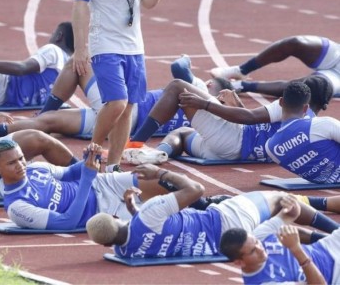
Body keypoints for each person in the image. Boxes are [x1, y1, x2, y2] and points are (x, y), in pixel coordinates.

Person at [0, 56, 232, 165]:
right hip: (124, 122)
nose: (205, 81)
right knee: (49, 123)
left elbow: (179, 68)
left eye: (211, 82)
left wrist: (188, 62)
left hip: (123, 112)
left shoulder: (198, 90)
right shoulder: (209, 118)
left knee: (77, 63)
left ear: (216, 88)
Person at [71, 0, 167, 173]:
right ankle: (92, 152)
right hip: (106, 44)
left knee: (129, 109)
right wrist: (81, 48)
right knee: (117, 102)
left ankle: (113, 167)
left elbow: (144, 2)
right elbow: (79, 5)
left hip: (134, 46)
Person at [86, 165, 340, 260]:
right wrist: (161, 173)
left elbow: (143, 230)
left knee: (279, 227)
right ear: (117, 217)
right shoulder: (148, 214)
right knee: (282, 200)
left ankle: (326, 240)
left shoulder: (125, 250)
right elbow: (196, 189)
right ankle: (335, 232)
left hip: (227, 245)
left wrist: (134, 207)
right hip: (228, 219)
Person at [0, 141, 231, 230]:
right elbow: (69, 222)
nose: (21, 165)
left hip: (102, 184)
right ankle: (212, 214)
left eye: (21, 158)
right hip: (101, 211)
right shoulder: (17, 207)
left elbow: (68, 172)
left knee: (161, 182)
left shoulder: (35, 168)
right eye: (12, 163)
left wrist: (88, 158)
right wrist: (85, 177)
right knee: (163, 213)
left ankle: (205, 204)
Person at [125, 75, 333, 164]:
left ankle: (135, 143)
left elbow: (250, 119)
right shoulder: (314, 127)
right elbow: (262, 130)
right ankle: (161, 153)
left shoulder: (290, 105)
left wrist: (204, 103)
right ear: (324, 104)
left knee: (178, 86)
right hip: (238, 152)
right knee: (182, 133)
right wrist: (236, 106)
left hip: (233, 140)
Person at [220, 198, 340, 284]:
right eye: (252, 251)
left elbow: (288, 216)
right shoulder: (265, 282)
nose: (260, 249)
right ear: (239, 262)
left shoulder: (258, 236)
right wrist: (296, 249)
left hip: (328, 246)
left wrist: (291, 205)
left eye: (256, 243)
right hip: (334, 276)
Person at [210, 35, 340, 97]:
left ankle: (241, 86)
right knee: (295, 43)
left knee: (301, 87)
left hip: (337, 78)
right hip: (337, 55)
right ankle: (241, 70)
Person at [264, 81, 340, 184]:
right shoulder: (322, 125)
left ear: (281, 102)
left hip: (327, 182)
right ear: (306, 108)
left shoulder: (270, 148)